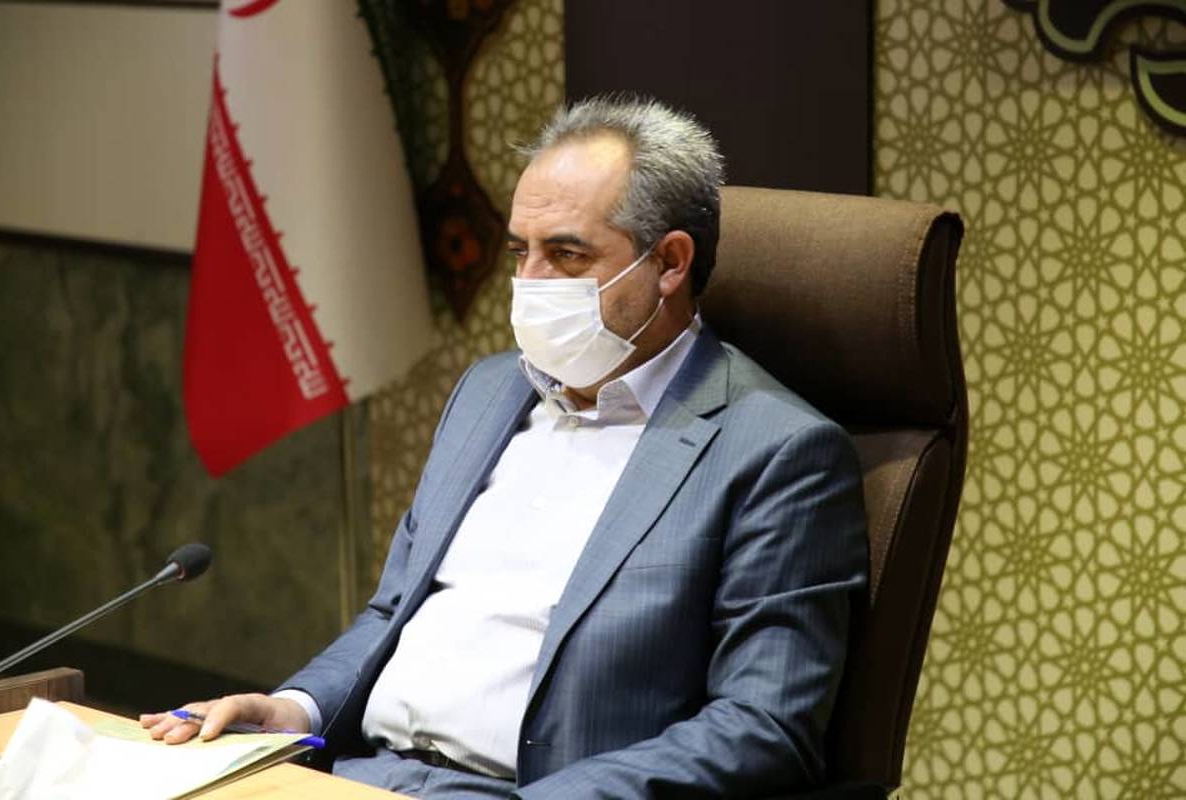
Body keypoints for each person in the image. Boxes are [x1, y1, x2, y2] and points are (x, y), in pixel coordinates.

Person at [142, 96, 868, 799]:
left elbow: (763, 727)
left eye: (567, 253)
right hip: (358, 776)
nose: (530, 283)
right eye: (522, 250)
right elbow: (394, 613)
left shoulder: (775, 451)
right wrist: (294, 708)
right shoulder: (488, 392)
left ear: (670, 262)